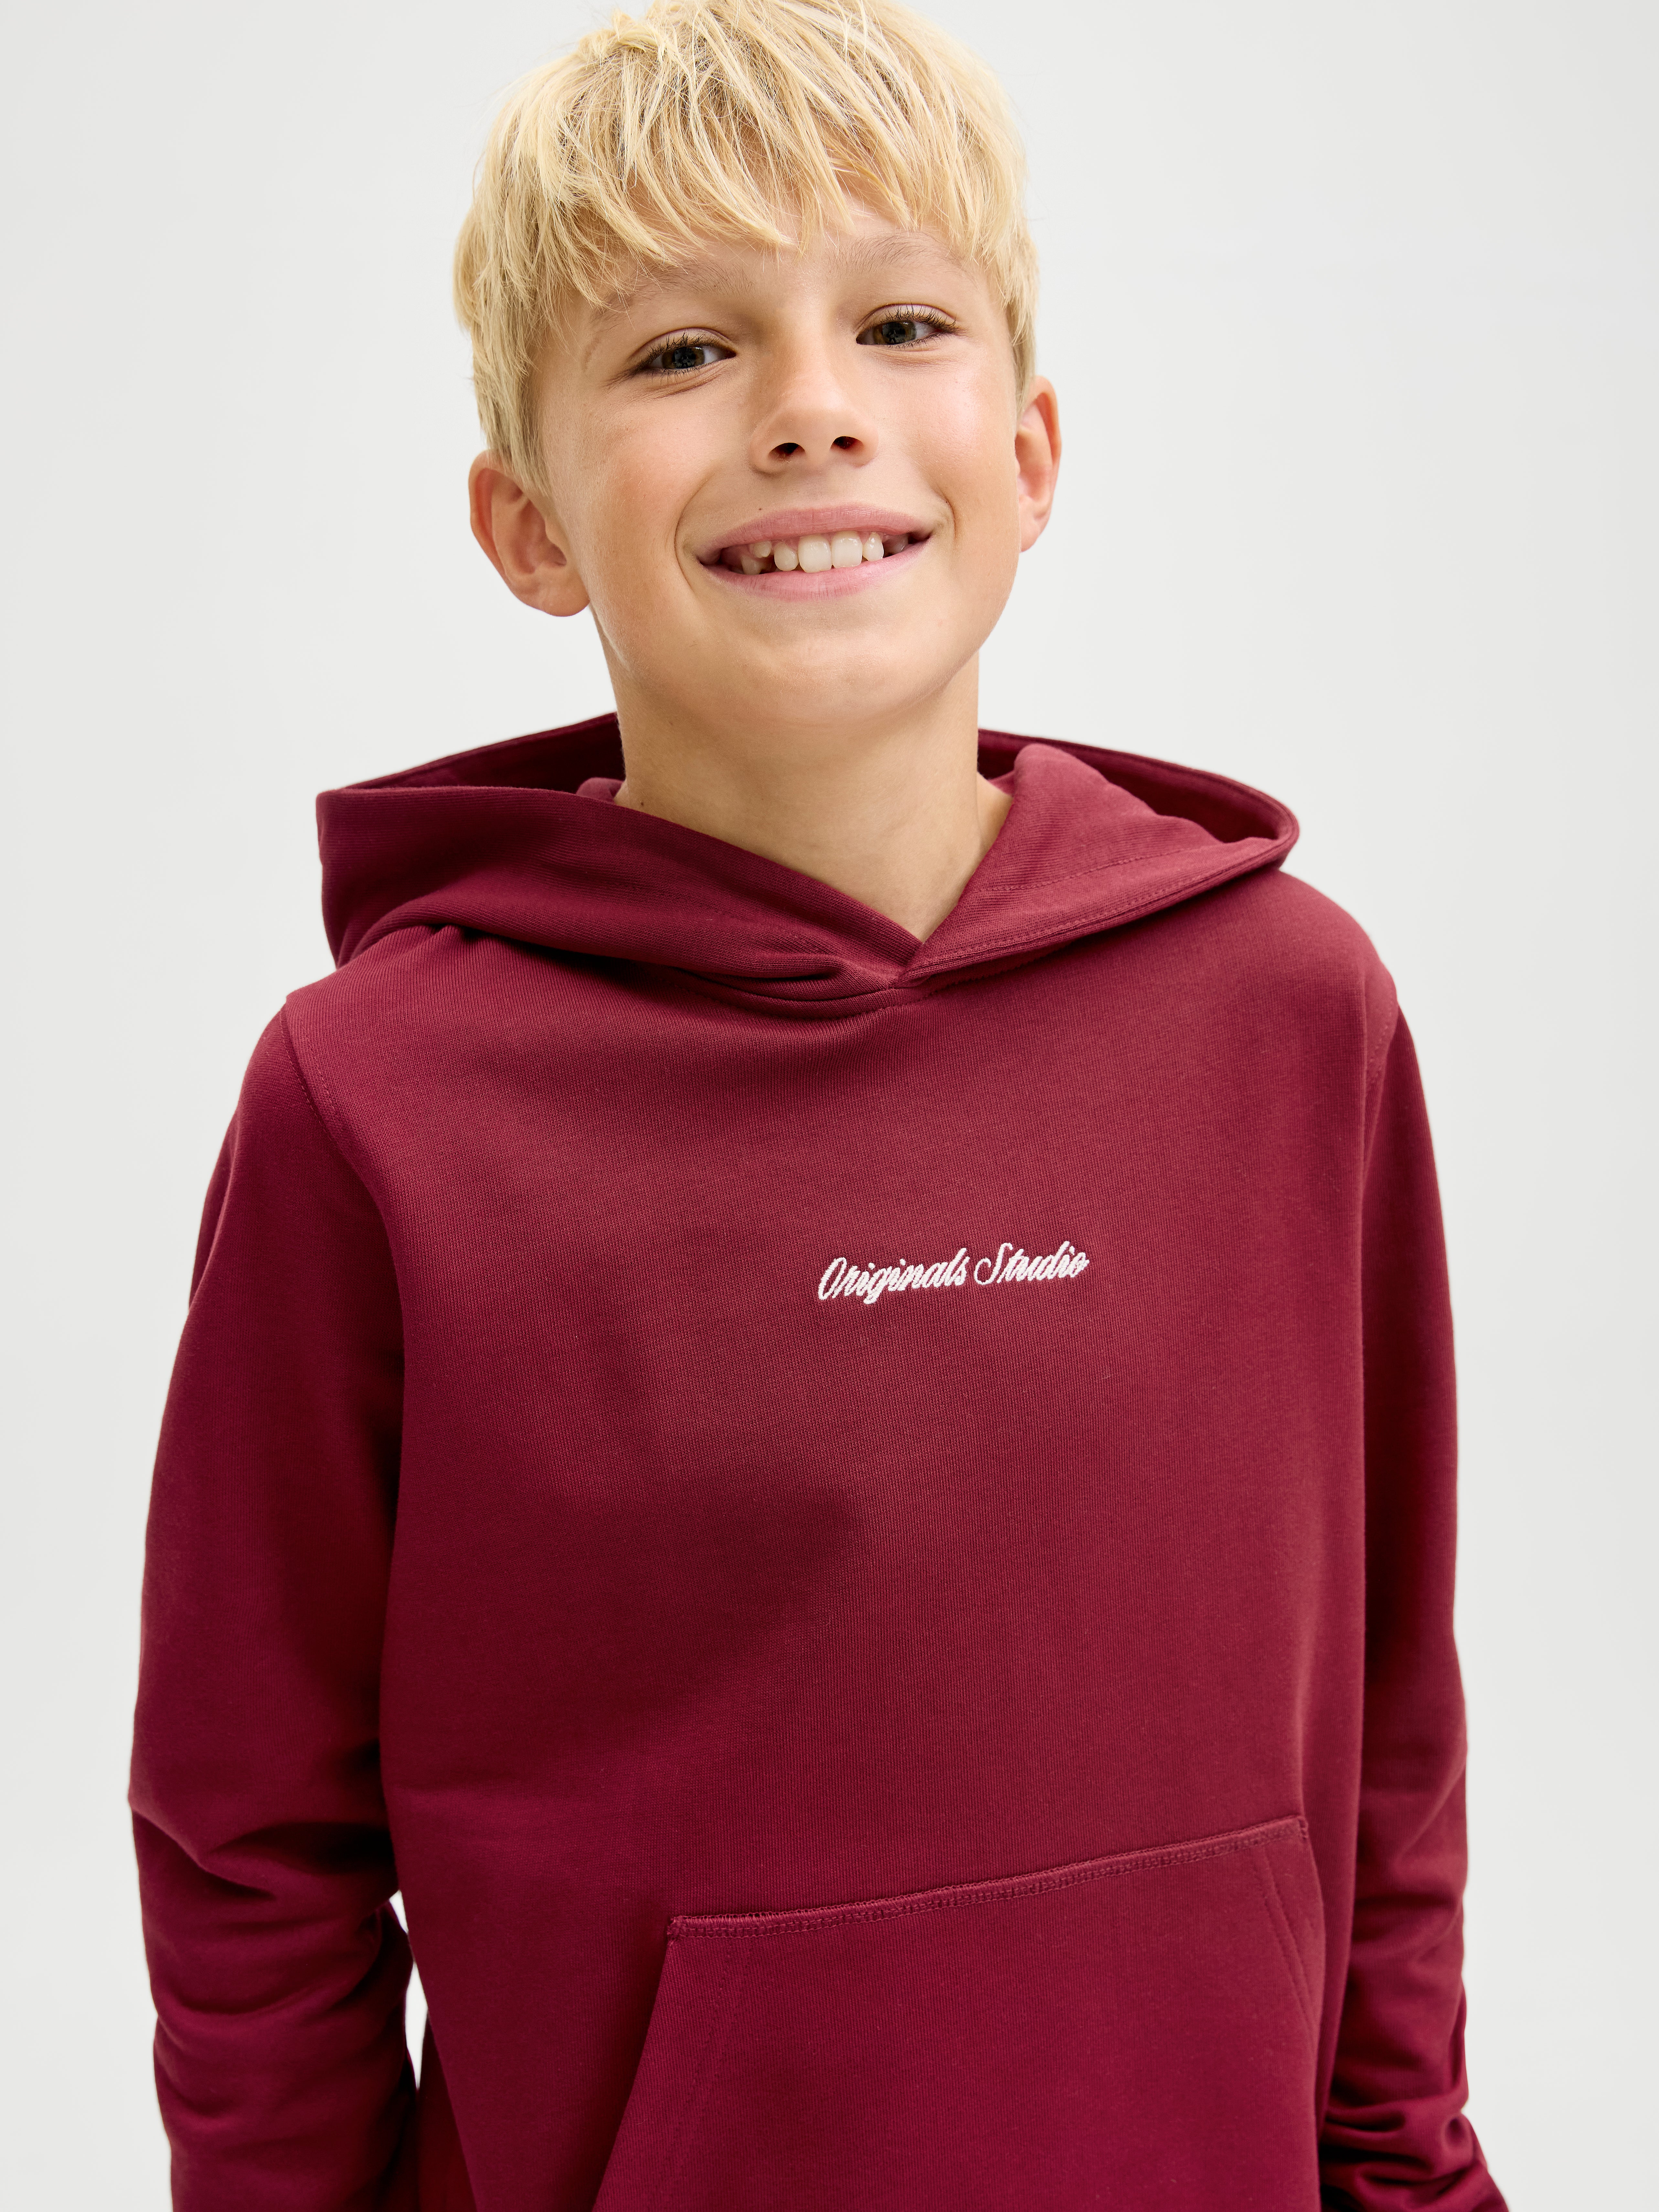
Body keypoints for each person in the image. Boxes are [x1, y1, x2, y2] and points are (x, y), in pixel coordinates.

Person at [129, 2, 1506, 2206]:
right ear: (526, 524)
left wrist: (1412, 2183)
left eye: (900, 323)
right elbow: (251, 1838)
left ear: (1032, 454)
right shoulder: (377, 1101)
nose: (810, 408)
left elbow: (1389, 1722)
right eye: (682, 352)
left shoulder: (1288, 1014)